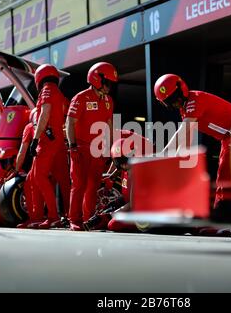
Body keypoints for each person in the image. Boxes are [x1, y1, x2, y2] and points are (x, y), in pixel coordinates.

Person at [154, 74, 231, 222]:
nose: (175, 102)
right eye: (169, 101)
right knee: (227, 175)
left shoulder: (195, 100)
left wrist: (161, 156)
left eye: (175, 97)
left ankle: (223, 218)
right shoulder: (184, 108)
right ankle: (226, 216)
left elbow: (182, 132)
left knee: (225, 176)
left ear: (181, 89)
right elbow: (183, 142)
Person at [66, 62, 117, 231]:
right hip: (80, 148)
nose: (109, 87)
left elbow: (109, 125)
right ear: (96, 79)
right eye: (107, 83)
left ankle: (88, 219)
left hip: (98, 149)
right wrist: (72, 146)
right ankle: (74, 220)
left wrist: (110, 149)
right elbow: (70, 123)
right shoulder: (80, 98)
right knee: (78, 184)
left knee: (93, 185)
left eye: (111, 84)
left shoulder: (109, 100)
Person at [83, 132, 153, 232]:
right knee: (108, 210)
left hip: (141, 211)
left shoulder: (139, 173)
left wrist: (111, 214)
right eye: (119, 161)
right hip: (129, 205)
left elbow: (134, 204)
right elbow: (125, 197)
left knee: (113, 224)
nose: (123, 165)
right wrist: (107, 211)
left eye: (124, 160)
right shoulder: (126, 170)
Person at [29, 64, 66, 229]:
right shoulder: (58, 92)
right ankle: (70, 216)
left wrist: (35, 139)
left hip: (48, 140)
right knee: (64, 180)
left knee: (39, 177)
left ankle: (53, 216)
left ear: (39, 77)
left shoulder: (46, 90)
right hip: (59, 139)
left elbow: (44, 114)